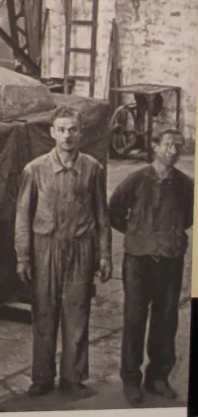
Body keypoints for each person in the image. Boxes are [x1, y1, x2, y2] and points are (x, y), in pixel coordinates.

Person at [14, 106, 112, 399]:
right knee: (44, 312)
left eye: (73, 129)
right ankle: (42, 377)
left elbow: (102, 214)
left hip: (80, 249)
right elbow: (22, 215)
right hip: (46, 247)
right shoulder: (35, 169)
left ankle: (73, 377)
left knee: (77, 313)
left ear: (81, 133)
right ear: (52, 132)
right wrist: (23, 256)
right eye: (62, 129)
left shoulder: (93, 168)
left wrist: (105, 254)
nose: (68, 135)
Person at [109, 128, 194, 405]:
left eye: (178, 146)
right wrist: (139, 234)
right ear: (155, 146)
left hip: (170, 259)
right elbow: (115, 211)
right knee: (134, 319)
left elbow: (188, 218)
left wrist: (167, 237)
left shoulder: (185, 184)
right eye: (168, 145)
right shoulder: (135, 180)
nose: (173, 151)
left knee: (166, 319)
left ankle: (158, 376)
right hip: (138, 260)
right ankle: (131, 379)